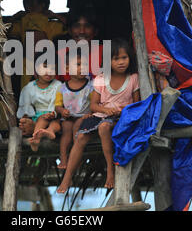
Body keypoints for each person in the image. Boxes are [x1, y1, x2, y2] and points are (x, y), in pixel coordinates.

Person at [57, 38, 140, 193]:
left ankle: (110, 169)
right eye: (116, 59)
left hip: (121, 118)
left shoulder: (133, 78)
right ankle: (67, 178)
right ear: (109, 61)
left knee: (104, 127)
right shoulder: (101, 79)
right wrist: (106, 110)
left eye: (124, 58)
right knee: (81, 137)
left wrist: (123, 110)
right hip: (101, 114)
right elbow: (94, 105)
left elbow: (137, 104)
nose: (121, 62)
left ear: (130, 58)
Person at [54, 50, 94, 169]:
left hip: (83, 117)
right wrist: (62, 111)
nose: (82, 67)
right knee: (66, 130)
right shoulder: (62, 88)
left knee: (77, 128)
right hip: (68, 117)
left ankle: (76, 158)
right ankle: (64, 159)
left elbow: (94, 103)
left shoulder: (90, 86)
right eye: (78, 64)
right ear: (67, 68)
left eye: (85, 64)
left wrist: (90, 114)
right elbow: (57, 106)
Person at [16, 57, 62, 151]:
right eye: (45, 67)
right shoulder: (29, 87)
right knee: (39, 119)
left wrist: (52, 114)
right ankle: (37, 131)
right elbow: (25, 105)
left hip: (55, 114)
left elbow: (57, 102)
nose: (49, 71)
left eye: (53, 69)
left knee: (55, 123)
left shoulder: (58, 85)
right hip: (37, 116)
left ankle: (45, 133)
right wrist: (26, 116)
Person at [56, 8, 103, 82]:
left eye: (87, 26)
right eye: (76, 26)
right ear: (69, 31)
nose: (82, 31)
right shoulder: (59, 55)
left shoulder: (107, 52)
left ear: (95, 31)